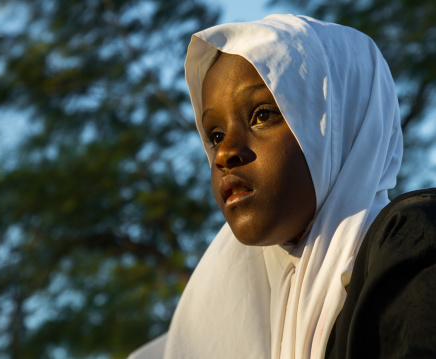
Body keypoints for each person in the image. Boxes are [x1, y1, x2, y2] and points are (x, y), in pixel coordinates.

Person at [128, 14, 436, 358]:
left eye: (262, 115)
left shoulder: (413, 244)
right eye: (214, 136)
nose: (224, 154)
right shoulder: (244, 303)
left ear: (338, 125)